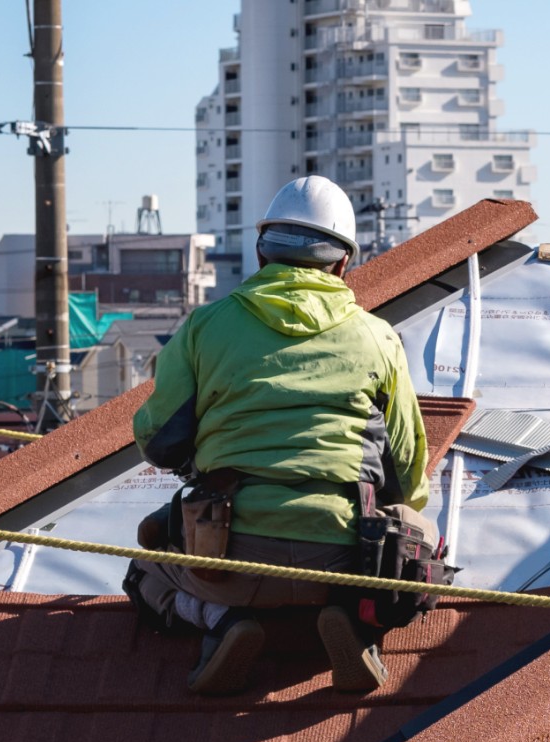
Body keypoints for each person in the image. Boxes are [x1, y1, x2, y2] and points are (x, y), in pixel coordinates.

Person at [127, 176, 436, 696]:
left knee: (144, 568)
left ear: (260, 251)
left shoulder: (206, 327)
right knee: (418, 542)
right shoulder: (378, 338)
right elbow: (407, 474)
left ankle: (219, 620)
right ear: (343, 264)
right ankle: (358, 623)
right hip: (340, 560)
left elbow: (159, 440)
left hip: (227, 554)